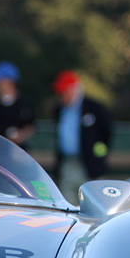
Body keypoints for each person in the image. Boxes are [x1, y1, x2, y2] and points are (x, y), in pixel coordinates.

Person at [51, 70, 113, 203]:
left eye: (65, 91)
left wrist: (98, 154)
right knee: (68, 202)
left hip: (89, 165)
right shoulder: (59, 109)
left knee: (93, 202)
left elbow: (106, 132)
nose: (62, 96)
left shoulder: (94, 108)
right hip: (67, 164)